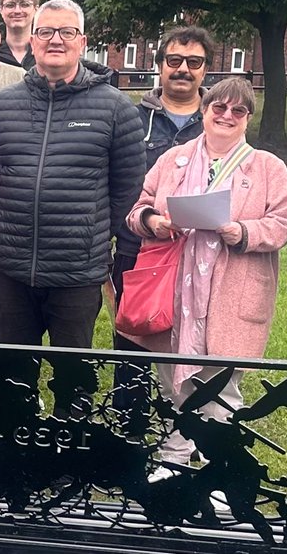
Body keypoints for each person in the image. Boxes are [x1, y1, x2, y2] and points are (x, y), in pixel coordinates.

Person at [125, 77, 287, 472]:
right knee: (173, 384)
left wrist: (243, 232)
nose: (227, 116)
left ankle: (221, 469)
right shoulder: (173, 159)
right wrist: (154, 221)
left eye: (238, 110)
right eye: (219, 107)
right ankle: (174, 459)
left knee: (222, 387)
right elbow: (138, 208)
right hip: (174, 288)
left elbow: (283, 224)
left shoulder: (269, 167)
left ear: (248, 119)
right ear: (204, 111)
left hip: (231, 292)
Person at [0, 0, 145, 355]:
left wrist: (88, 230)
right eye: (46, 31)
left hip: (77, 271)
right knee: (11, 372)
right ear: (33, 41)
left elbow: (127, 188)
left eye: (66, 31)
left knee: (74, 376)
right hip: (13, 265)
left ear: (82, 42)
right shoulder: (1, 105)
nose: (56, 39)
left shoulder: (116, 108)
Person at [111, 26, 214, 431]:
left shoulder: (219, 120)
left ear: (206, 69)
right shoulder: (131, 119)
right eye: (174, 61)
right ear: (158, 67)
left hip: (202, 258)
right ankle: (129, 438)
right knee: (132, 347)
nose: (183, 70)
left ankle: (187, 438)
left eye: (194, 62)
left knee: (195, 347)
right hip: (139, 251)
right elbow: (117, 184)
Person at [0, 0, 39, 70]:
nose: (17, 11)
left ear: (36, 9)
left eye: (24, 4)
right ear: (1, 10)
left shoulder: (45, 53)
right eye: (10, 5)